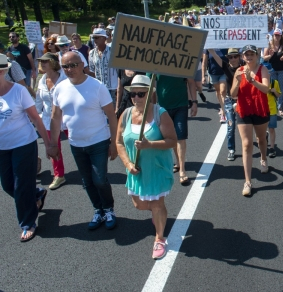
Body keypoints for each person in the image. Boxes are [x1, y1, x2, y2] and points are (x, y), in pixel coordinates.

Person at [49, 52, 119, 231]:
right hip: (76, 144)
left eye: (73, 65)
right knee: (87, 182)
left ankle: (109, 209)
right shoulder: (60, 88)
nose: (69, 69)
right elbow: (56, 117)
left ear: (82, 65)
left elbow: (111, 116)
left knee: (100, 180)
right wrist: (52, 143)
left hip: (98, 142)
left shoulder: (97, 87)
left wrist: (114, 143)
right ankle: (98, 210)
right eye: (65, 66)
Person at [116, 75, 177, 260]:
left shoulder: (161, 113)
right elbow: (119, 142)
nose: (136, 98)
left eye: (141, 94)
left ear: (150, 94)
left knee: (157, 204)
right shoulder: (126, 114)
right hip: (135, 170)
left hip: (156, 169)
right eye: (133, 94)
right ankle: (159, 213)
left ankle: (160, 237)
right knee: (140, 205)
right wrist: (127, 163)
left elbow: (172, 141)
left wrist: (150, 144)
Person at [0, 53, 52, 242]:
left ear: (3, 71)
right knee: (7, 185)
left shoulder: (18, 91)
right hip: (2, 148)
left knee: (21, 185)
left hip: (23, 143)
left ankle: (28, 222)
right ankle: (36, 194)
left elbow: (35, 118)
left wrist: (48, 144)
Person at [230, 45, 270, 197]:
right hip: (244, 109)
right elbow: (233, 94)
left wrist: (252, 80)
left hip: (259, 108)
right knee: (246, 144)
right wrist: (238, 81)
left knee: (260, 139)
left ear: (256, 55)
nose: (249, 57)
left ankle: (264, 158)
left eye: (251, 54)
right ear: (243, 57)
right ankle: (248, 181)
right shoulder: (238, 71)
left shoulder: (263, 69)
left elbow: (266, 89)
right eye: (246, 54)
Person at [152, 72, 197, 186]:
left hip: (180, 105)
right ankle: (178, 161)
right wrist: (151, 107)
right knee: (170, 137)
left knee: (180, 137)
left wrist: (194, 102)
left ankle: (182, 169)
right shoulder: (154, 62)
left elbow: (191, 82)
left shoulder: (180, 60)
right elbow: (150, 86)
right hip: (162, 106)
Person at [35, 53, 68, 190]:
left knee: (79, 144)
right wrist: (36, 116)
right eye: (40, 61)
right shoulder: (41, 80)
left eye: (45, 61)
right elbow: (38, 101)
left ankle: (89, 171)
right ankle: (59, 175)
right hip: (49, 119)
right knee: (53, 147)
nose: (42, 63)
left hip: (67, 117)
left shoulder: (65, 78)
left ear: (53, 63)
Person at [207, 48, 244, 161]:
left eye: (235, 56)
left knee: (246, 126)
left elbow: (255, 59)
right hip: (229, 101)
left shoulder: (244, 67)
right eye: (230, 57)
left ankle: (260, 136)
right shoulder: (225, 66)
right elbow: (213, 54)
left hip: (243, 101)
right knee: (231, 126)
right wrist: (210, 47)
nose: (233, 59)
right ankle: (231, 149)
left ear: (239, 56)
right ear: (227, 58)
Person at [88, 28, 119, 104]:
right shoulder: (91, 53)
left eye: (97, 37)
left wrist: (118, 89)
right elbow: (92, 71)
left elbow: (119, 70)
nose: (95, 40)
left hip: (113, 88)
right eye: (94, 37)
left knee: (112, 112)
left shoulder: (113, 51)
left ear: (104, 38)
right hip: (99, 88)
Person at [262, 29, 283, 116]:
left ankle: (280, 106)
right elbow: (264, 58)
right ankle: (273, 104)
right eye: (275, 35)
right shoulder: (269, 45)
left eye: (278, 35)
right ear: (273, 36)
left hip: (281, 70)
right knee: (272, 88)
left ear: (281, 36)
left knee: (282, 89)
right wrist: (270, 55)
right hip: (271, 70)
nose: (277, 37)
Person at [202, 48, 229, 123]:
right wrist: (203, 76)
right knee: (218, 91)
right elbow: (204, 62)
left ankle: (223, 113)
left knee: (223, 91)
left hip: (224, 72)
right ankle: (222, 106)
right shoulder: (208, 48)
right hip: (213, 73)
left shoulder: (225, 46)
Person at [265, 65, 281, 157]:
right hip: (262, 109)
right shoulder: (259, 83)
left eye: (269, 72)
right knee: (261, 131)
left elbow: (279, 95)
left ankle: (272, 148)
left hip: (272, 109)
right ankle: (264, 141)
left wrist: (274, 91)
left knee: (271, 129)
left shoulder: (274, 82)